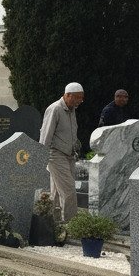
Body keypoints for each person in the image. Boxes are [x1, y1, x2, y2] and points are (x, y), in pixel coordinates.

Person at [40, 82, 84, 222]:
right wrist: (41, 156)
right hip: (55, 154)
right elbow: (46, 134)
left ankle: (53, 223)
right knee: (69, 190)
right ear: (67, 95)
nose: (79, 101)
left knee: (56, 194)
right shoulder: (55, 109)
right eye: (77, 98)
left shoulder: (72, 109)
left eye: (81, 98)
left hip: (69, 155)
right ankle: (72, 225)